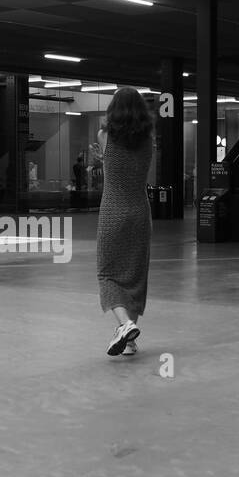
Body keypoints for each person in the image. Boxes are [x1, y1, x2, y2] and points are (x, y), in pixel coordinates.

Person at [96, 87, 154, 357]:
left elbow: (108, 161)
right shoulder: (148, 140)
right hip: (140, 212)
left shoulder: (104, 136)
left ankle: (125, 325)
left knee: (107, 273)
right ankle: (130, 341)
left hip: (113, 212)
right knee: (135, 276)